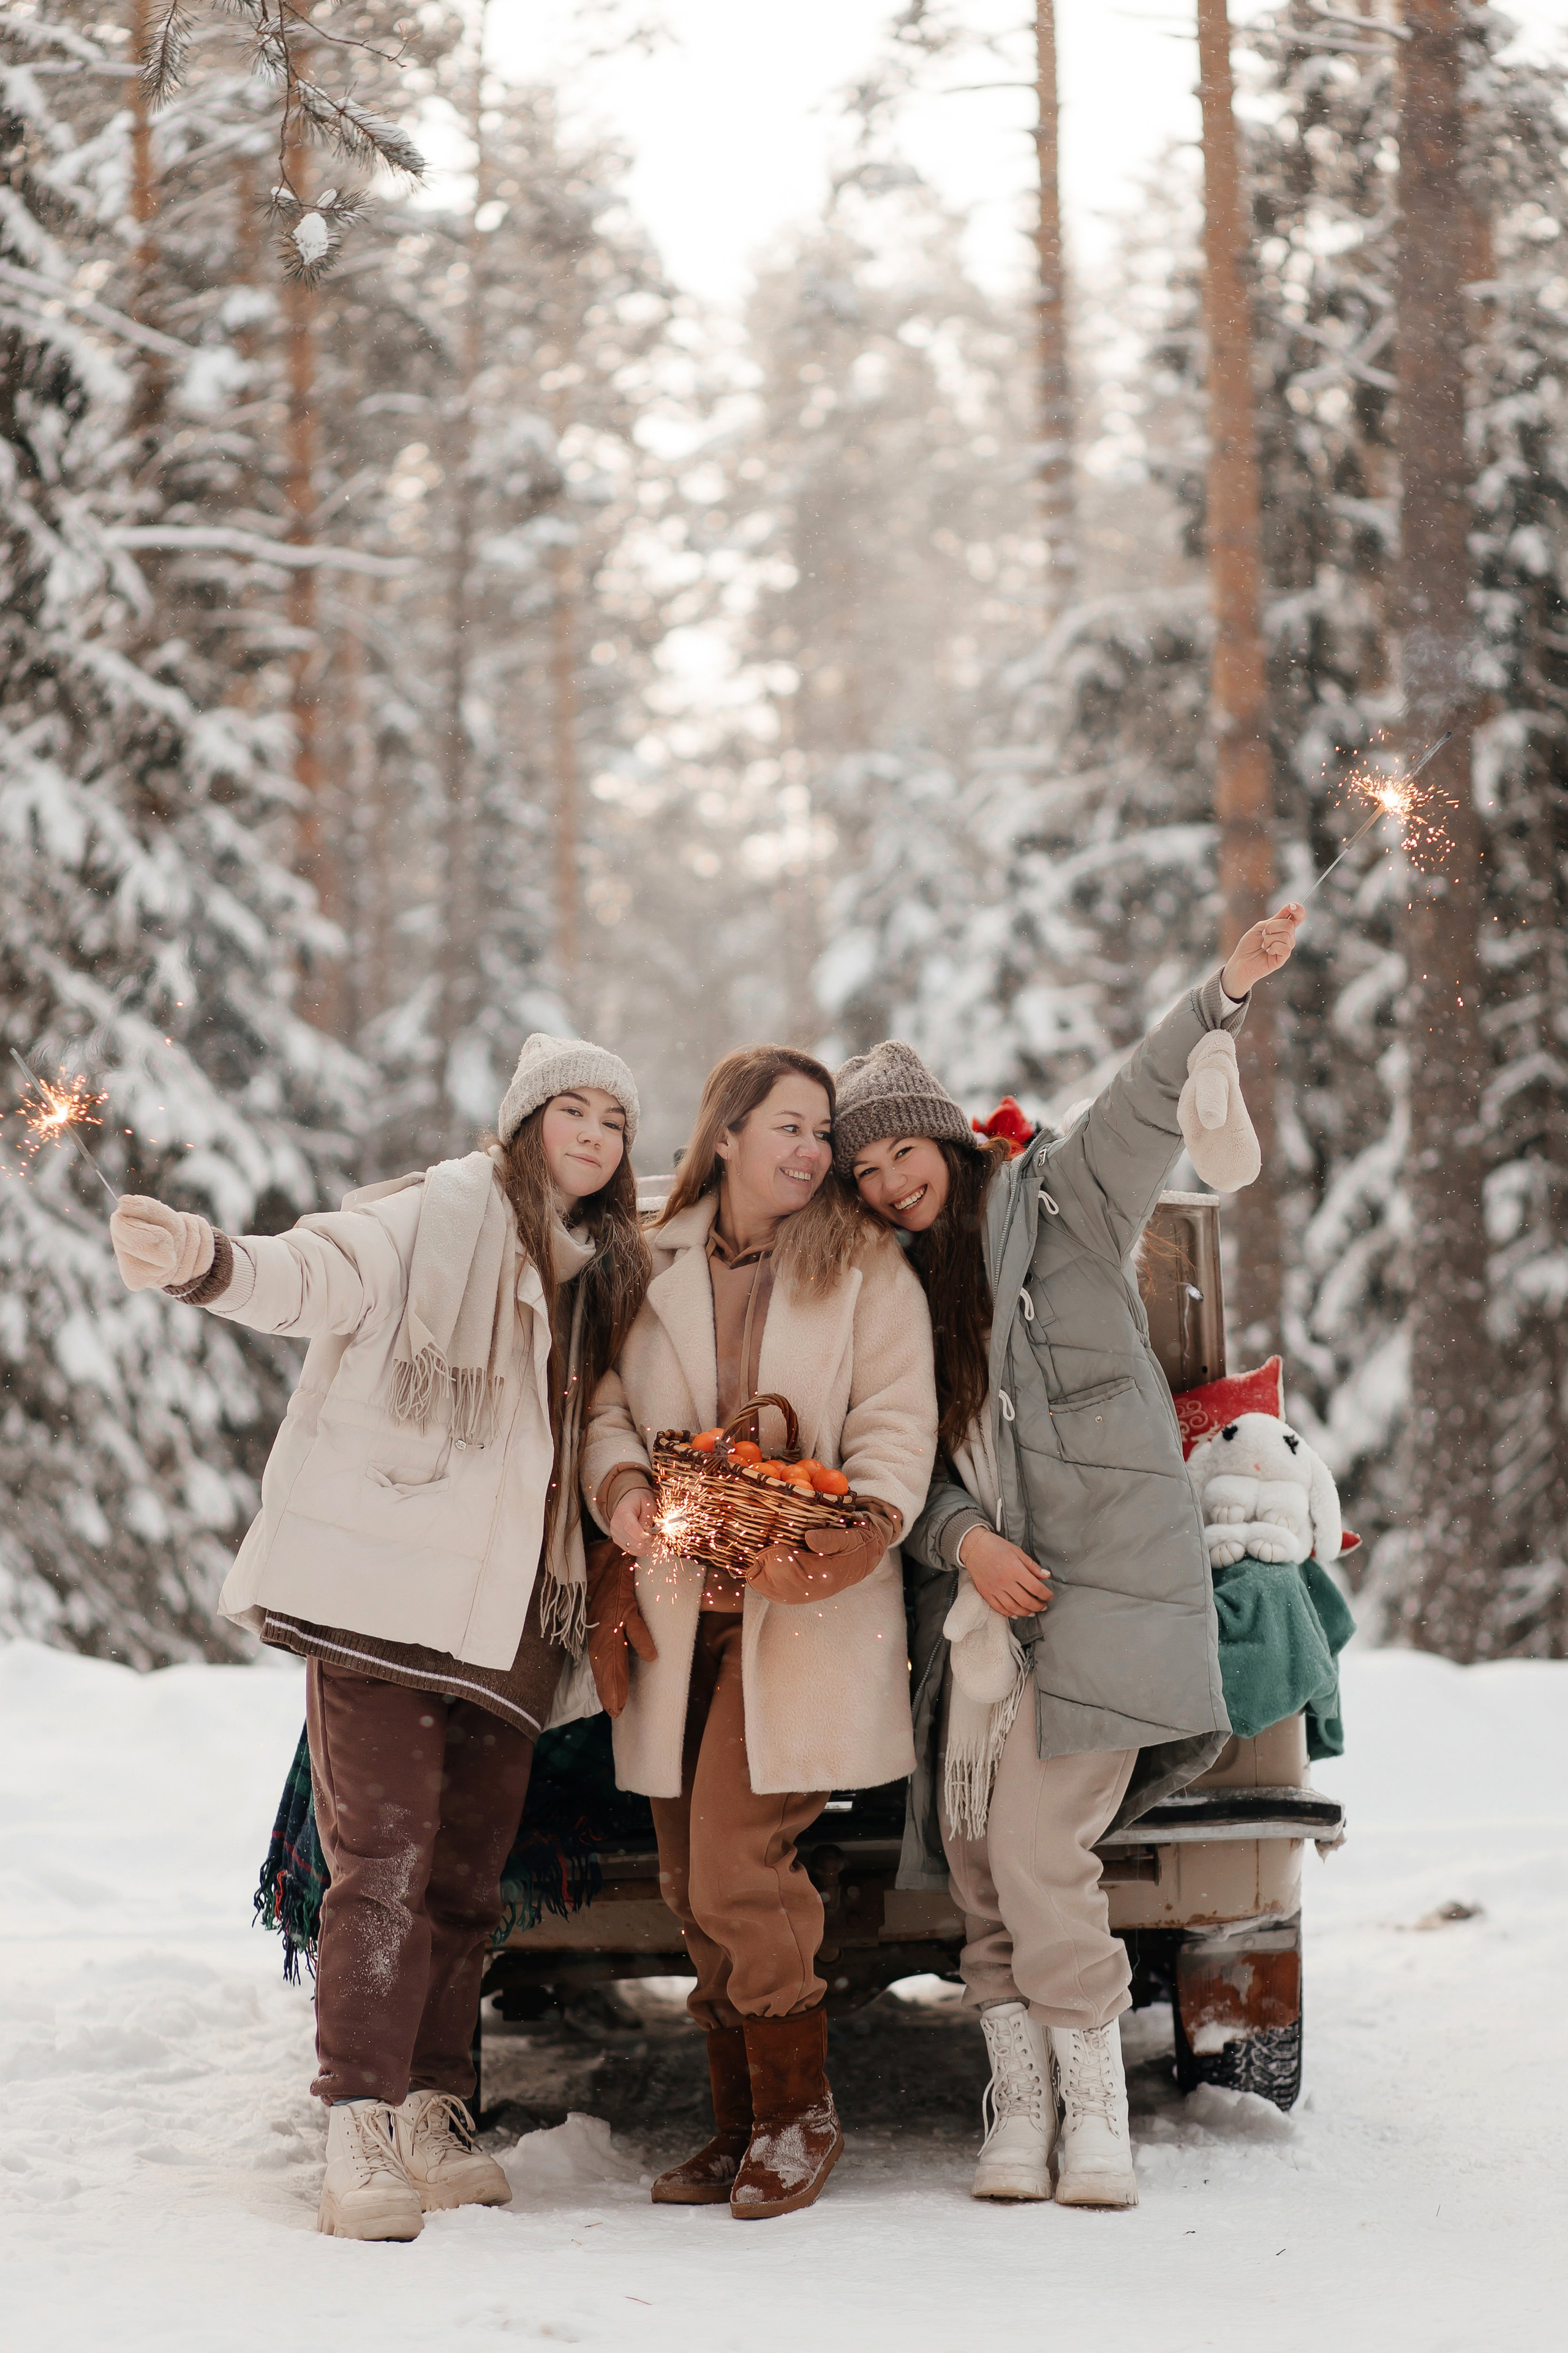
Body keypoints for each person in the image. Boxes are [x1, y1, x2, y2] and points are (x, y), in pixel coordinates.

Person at [108, 1037, 648, 2242]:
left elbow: (607, 1409)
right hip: (383, 1591)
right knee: (385, 1858)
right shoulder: (428, 1216)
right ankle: (356, 2113)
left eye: (616, 1120)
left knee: (466, 1873)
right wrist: (207, 1261)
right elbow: (313, 1272)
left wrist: (625, 1496)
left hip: (512, 1612)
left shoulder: (602, 1270)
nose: (598, 1135)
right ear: (522, 1121)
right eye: (575, 1109)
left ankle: (435, 2104)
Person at [837, 907, 1304, 2211]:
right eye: (861, 1172)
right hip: (979, 1606)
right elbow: (899, 1467)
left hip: (1103, 1586)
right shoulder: (885, 1298)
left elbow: (1146, 1094)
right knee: (981, 1859)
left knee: (1040, 1849)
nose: (885, 1183)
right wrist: (959, 1538)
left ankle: (1094, 2113)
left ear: (938, 1135)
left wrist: (1223, 990)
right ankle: (1020, 2108)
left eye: (897, 1152)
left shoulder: (1062, 1201)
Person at [582, 1046, 938, 2219]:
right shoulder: (651, 1261)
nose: (810, 1150)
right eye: (786, 1125)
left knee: (740, 1861)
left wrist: (868, 1519)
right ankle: (737, 2122)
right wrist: (622, 1486)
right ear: (725, 1132)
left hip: (804, 1609)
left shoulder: (866, 1265)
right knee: (690, 1876)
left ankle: (798, 2114)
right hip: (681, 1606)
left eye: (821, 1131)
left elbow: (895, 1416)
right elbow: (607, 1408)